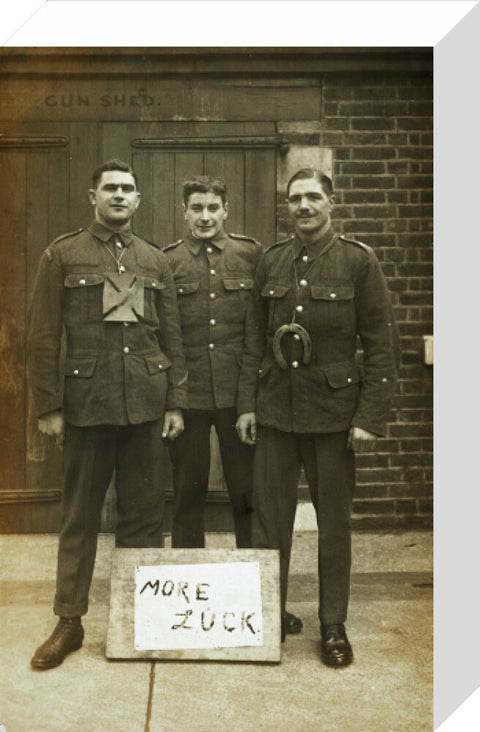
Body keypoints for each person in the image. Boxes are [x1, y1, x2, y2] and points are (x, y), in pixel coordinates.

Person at [28, 159, 188, 670]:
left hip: (144, 405)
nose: (120, 196)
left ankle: (140, 618)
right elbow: (42, 336)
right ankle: (70, 621)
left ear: (139, 199)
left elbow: (173, 338)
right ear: (92, 195)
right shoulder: (62, 255)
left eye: (129, 189)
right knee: (79, 517)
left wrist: (175, 402)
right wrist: (50, 406)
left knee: (143, 517)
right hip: (86, 408)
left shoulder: (154, 260)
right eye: (111, 188)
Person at [236, 168, 400, 665]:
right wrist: (247, 404)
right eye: (295, 199)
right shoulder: (271, 261)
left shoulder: (358, 261)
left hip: (334, 416)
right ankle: (269, 617)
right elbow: (253, 341)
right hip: (275, 414)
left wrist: (369, 416)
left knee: (334, 525)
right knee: (270, 522)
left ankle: (333, 626)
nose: (303, 206)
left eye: (312, 197)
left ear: (331, 202)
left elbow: (380, 343)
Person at [163, 175, 303, 637]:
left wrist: (248, 406)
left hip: (239, 402)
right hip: (189, 401)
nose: (205, 216)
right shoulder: (169, 261)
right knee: (187, 497)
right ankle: (185, 610)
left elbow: (256, 336)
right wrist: (177, 403)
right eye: (196, 207)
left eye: (213, 207)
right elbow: (171, 339)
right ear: (184, 212)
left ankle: (258, 603)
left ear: (227, 210)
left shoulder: (251, 255)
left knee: (249, 499)